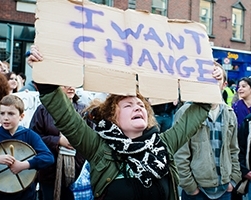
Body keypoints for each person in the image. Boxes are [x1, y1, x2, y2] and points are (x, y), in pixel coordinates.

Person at [27, 45, 223, 200]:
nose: (138, 107)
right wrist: (44, 72)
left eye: (141, 105)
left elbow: (200, 109)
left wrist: (211, 82)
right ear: (113, 117)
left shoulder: (164, 144)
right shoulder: (98, 148)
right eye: (128, 105)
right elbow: (65, 116)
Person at [174, 63, 241, 200]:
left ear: (224, 84)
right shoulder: (185, 113)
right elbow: (180, 154)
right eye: (207, 79)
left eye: (217, 79)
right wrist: (190, 187)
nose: (212, 84)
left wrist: (233, 180)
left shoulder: (230, 114)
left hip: (224, 190)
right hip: (198, 192)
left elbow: (233, 150)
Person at [29, 86, 86, 200]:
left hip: (77, 172)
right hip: (49, 172)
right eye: (65, 84)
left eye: (73, 84)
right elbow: (33, 138)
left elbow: (92, 138)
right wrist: (58, 141)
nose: (70, 87)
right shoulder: (43, 110)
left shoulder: (84, 110)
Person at [0, 94, 54, 200]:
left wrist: (23, 165)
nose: (5, 117)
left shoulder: (29, 135)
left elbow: (48, 157)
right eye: (2, 113)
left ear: (21, 116)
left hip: (26, 194)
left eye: (11, 113)